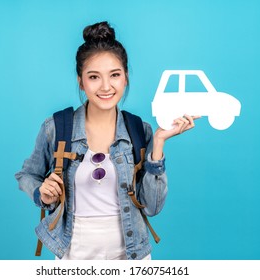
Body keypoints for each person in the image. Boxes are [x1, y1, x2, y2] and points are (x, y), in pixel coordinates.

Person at [15, 21, 199, 260]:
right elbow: (27, 175)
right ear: (81, 81)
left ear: (126, 78)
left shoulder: (139, 130)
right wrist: (42, 192)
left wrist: (159, 141)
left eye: (114, 75)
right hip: (73, 258)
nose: (105, 86)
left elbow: (152, 207)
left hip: (133, 259)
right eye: (94, 77)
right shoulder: (57, 127)